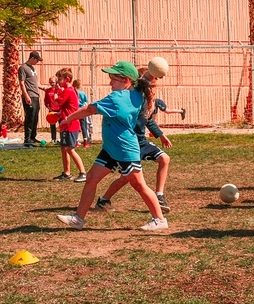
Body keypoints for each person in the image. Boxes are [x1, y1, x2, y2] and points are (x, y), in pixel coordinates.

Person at [57, 61, 168, 231]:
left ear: (125, 80)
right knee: (92, 179)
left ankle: (160, 220)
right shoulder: (136, 93)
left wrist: (67, 120)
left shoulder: (116, 99)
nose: (110, 82)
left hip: (124, 149)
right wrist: (153, 72)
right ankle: (78, 219)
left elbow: (88, 109)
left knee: (139, 185)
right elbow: (143, 80)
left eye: (113, 78)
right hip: (111, 148)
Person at [95, 66, 176, 213]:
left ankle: (159, 196)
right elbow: (142, 79)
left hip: (141, 141)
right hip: (131, 143)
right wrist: (152, 71)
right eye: (153, 81)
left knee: (164, 159)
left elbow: (148, 119)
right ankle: (104, 200)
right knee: (126, 178)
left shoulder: (146, 99)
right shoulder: (134, 96)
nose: (154, 84)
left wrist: (161, 135)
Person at [50, 69, 85, 182]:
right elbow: (69, 108)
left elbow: (56, 103)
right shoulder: (69, 90)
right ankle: (67, 173)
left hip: (70, 124)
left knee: (69, 149)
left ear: (67, 79)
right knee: (64, 148)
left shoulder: (68, 91)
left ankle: (83, 172)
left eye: (60, 79)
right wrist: (59, 113)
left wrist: (55, 93)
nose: (58, 82)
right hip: (66, 123)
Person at [19, 51, 43, 146]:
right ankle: (27, 138)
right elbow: (22, 82)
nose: (37, 62)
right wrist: (26, 96)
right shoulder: (23, 68)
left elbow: (36, 82)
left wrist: (44, 88)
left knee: (35, 117)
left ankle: (33, 137)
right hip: (30, 96)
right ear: (32, 58)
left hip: (36, 95)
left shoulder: (32, 68)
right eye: (37, 60)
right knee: (30, 117)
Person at [73, 79, 92, 147]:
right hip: (82, 111)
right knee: (83, 126)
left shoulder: (73, 93)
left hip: (75, 111)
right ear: (80, 85)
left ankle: (76, 141)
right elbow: (86, 102)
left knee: (76, 126)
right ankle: (85, 141)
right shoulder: (82, 93)